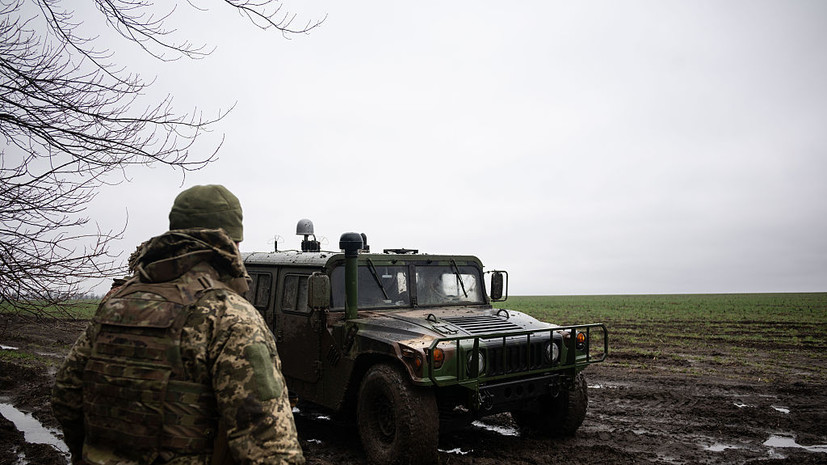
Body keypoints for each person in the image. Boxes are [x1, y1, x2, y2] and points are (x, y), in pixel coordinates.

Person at [52, 185, 304, 465]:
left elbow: (66, 395)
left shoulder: (116, 303)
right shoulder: (228, 314)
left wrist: (89, 453)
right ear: (233, 242)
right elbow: (268, 443)